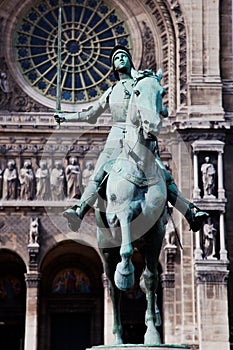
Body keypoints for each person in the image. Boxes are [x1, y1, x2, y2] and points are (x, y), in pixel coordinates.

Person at [54, 45, 208, 232]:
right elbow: (90, 114)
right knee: (98, 174)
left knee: (164, 175)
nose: (120, 59)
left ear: (130, 61)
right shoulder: (111, 92)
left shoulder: (141, 84)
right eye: (116, 57)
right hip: (115, 139)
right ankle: (79, 210)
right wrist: (66, 117)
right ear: (113, 66)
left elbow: (157, 103)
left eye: (124, 56)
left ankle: (190, 212)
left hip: (141, 137)